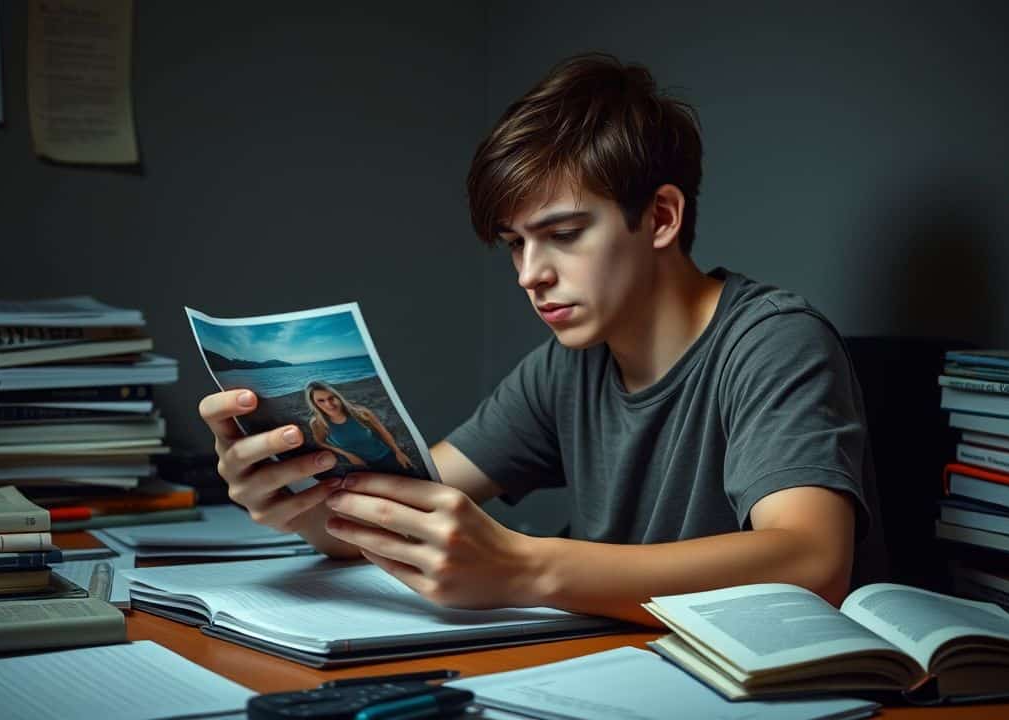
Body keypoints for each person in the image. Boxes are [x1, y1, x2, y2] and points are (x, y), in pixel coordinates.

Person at [199, 53, 884, 625]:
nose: (531, 275)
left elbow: (812, 564)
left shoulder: (773, 341)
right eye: (514, 245)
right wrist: (289, 500)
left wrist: (525, 566)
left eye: (562, 235)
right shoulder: (566, 366)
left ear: (662, 216)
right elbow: (410, 508)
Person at [305, 380, 415, 475]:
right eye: (321, 401)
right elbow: (321, 442)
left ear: (338, 397)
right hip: (360, 466)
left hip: (385, 456)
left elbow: (383, 432)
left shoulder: (361, 413)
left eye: (331, 398)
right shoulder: (317, 424)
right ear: (314, 404)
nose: (329, 404)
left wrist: (398, 452)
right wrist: (349, 455)